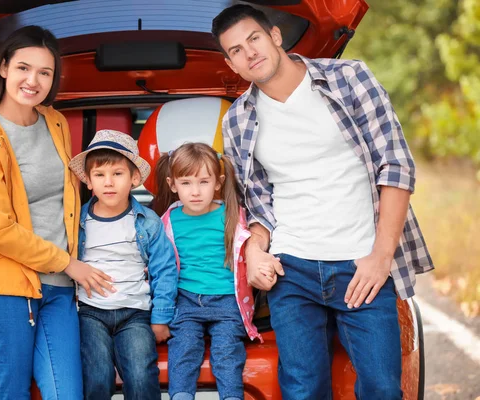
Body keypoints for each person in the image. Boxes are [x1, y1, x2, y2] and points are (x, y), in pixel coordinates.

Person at [212, 5, 434, 399]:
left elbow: (396, 166)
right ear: (232, 65)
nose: (249, 53)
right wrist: (256, 250)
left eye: (254, 39)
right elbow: (259, 204)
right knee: (302, 390)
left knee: (383, 388)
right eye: (235, 51)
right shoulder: (237, 120)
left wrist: (382, 256)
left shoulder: (349, 78)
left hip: (361, 264)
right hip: (291, 270)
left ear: (276, 36)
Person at [0, 26, 114, 400]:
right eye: (24, 68)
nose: (33, 80)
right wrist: (68, 263)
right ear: (4, 67)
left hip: (58, 291)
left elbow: (68, 202)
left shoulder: (54, 122)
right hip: (5, 291)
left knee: (67, 395)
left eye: (45, 72)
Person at [68, 129, 178, 400]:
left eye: (117, 174)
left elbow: (164, 269)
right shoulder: (76, 222)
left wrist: (161, 317)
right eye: (99, 175)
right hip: (91, 313)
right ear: (89, 182)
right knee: (97, 376)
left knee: (142, 375)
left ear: (134, 179)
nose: (109, 183)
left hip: (134, 313)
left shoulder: (147, 221)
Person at [155, 142, 261, 400]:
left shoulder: (232, 216)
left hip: (227, 301)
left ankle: (232, 396)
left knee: (227, 351)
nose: (195, 191)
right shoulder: (168, 220)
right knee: (183, 348)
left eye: (203, 182)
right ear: (172, 184)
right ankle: (180, 395)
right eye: (186, 183)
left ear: (218, 182)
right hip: (186, 300)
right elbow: (160, 267)